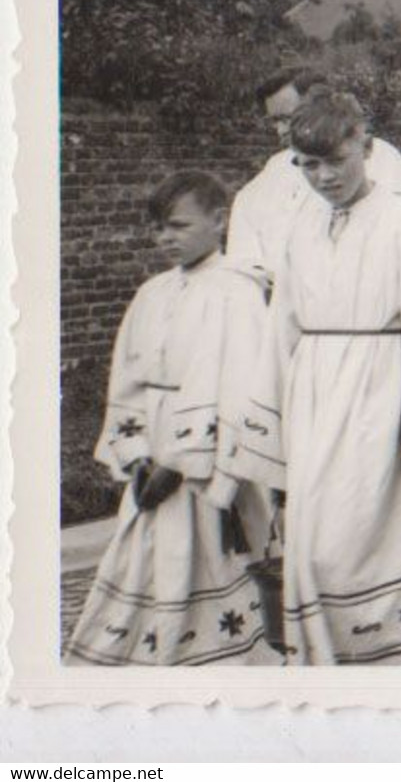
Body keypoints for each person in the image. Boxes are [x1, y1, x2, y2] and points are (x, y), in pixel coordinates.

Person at [222, 89, 401, 664]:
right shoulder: (300, 229)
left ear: (365, 146)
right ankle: (329, 665)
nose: (324, 176)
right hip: (315, 400)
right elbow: (279, 332)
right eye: (309, 165)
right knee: (316, 548)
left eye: (336, 160)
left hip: (382, 400)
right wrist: (271, 433)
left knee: (374, 536)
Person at [66, 172, 276, 666]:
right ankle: (145, 649)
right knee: (142, 553)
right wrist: (137, 455)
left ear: (219, 221)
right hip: (152, 447)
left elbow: (244, 388)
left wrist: (180, 463)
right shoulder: (153, 293)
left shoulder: (238, 292)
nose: (165, 238)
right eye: (158, 228)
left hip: (204, 464)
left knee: (203, 558)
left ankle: (211, 658)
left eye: (178, 226)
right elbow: (128, 379)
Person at [228, 67, 401, 281]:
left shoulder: (378, 157)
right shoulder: (275, 169)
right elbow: (245, 234)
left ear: (317, 106)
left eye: (287, 118)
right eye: (275, 121)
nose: (281, 130)